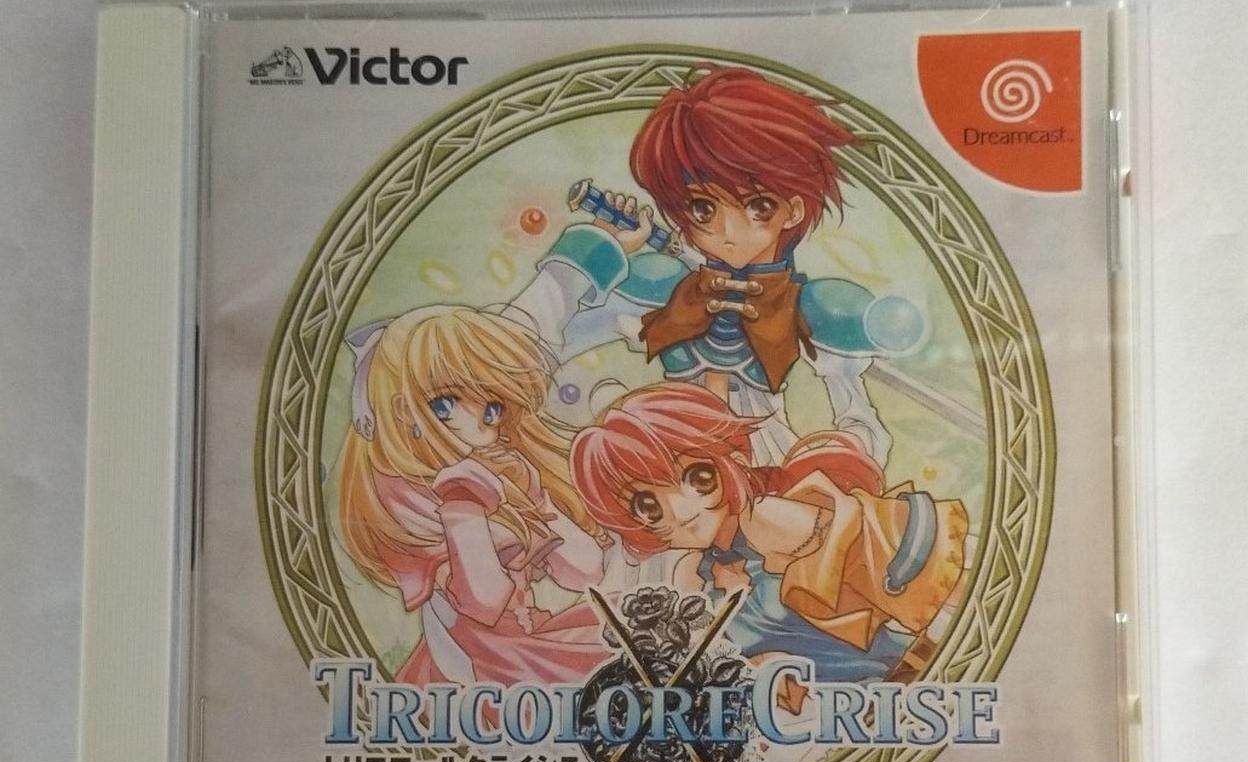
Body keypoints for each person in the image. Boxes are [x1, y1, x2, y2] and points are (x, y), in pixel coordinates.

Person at [509, 67, 924, 465]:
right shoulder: (665, 286)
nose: (728, 232)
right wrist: (602, 243)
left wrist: (830, 467)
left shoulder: (810, 306)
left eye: (758, 205)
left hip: (763, 469)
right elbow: (513, 350)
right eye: (703, 209)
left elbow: (862, 431)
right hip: (664, 467)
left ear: (794, 210)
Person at [571, 384, 967, 688]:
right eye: (648, 505)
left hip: (892, 684)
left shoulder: (768, 519)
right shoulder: (692, 573)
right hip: (813, 710)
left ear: (731, 460)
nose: (680, 509)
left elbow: (905, 575)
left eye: (697, 477)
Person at [338, 306, 610, 689]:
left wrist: (537, 499)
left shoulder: (501, 473)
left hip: (529, 640)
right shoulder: (407, 498)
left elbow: (585, 572)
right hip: (480, 664)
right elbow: (484, 601)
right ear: (404, 411)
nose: (478, 425)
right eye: (445, 405)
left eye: (492, 409)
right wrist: (464, 505)